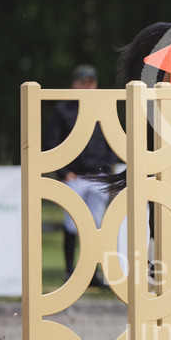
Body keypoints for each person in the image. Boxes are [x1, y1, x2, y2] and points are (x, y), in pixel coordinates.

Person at [44, 64, 119, 286]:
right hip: (74, 177)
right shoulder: (62, 110)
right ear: (74, 84)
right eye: (83, 83)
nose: (87, 87)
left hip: (98, 177)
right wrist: (64, 172)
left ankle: (92, 274)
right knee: (71, 225)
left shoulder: (103, 108)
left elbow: (112, 139)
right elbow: (51, 142)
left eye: (91, 83)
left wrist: (108, 169)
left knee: (96, 226)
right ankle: (71, 272)